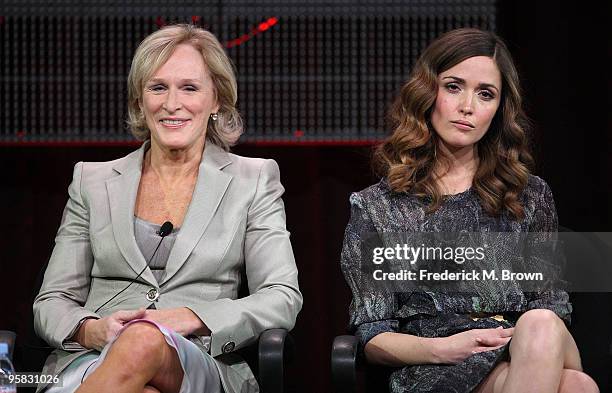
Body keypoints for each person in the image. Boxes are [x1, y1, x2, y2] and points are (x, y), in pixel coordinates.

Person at [33, 24, 302, 393]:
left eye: (189, 88)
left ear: (216, 100)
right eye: (158, 87)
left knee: (144, 338)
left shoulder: (253, 179)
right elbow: (52, 301)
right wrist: (91, 328)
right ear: (140, 100)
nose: (172, 103)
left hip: (198, 361)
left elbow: (281, 296)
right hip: (94, 360)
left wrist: (190, 317)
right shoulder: (91, 181)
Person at [340, 28, 599, 393]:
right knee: (576, 387)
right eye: (453, 87)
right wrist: (441, 349)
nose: (467, 107)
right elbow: (373, 332)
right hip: (436, 364)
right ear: (427, 92)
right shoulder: (378, 207)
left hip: (527, 345)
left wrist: (519, 341)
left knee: (540, 323)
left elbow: (551, 305)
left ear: (498, 109)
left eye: (485, 94)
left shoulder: (530, 195)